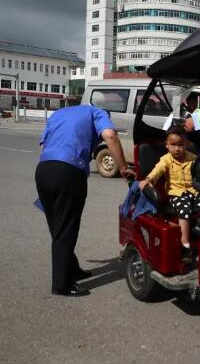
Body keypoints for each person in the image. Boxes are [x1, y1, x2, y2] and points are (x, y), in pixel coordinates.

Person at [35, 105, 135, 297]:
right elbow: (110, 136)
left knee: (58, 226)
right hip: (69, 171)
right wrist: (123, 167)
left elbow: (43, 145)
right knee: (66, 229)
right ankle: (61, 285)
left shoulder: (58, 114)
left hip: (43, 169)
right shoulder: (98, 113)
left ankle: (71, 268)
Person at [139, 125, 200, 262]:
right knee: (185, 208)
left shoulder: (193, 158)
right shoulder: (166, 160)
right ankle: (185, 244)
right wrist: (148, 179)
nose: (177, 149)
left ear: (186, 144)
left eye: (180, 145)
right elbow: (157, 171)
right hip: (176, 194)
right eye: (173, 145)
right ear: (167, 145)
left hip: (193, 192)